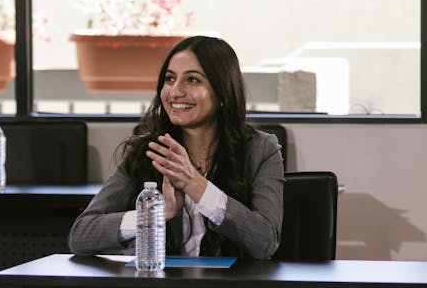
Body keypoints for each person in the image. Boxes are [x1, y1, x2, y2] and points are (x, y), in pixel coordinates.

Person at [69, 35, 284, 261]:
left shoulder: (261, 150)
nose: (175, 92)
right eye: (170, 79)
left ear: (223, 92)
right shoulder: (148, 151)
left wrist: (198, 186)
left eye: (192, 80)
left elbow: (265, 242)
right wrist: (155, 215)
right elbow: (81, 235)